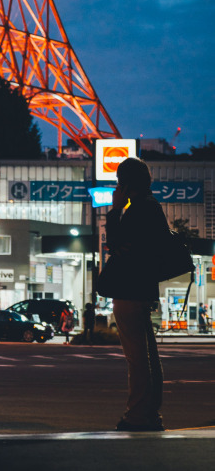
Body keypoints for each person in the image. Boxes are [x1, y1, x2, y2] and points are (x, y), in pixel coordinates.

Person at [97, 157, 169, 432]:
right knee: (148, 356)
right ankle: (150, 413)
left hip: (129, 291)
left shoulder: (138, 210)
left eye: (119, 183)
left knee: (137, 358)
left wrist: (115, 210)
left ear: (125, 184)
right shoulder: (153, 208)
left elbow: (115, 244)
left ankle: (138, 416)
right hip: (144, 289)